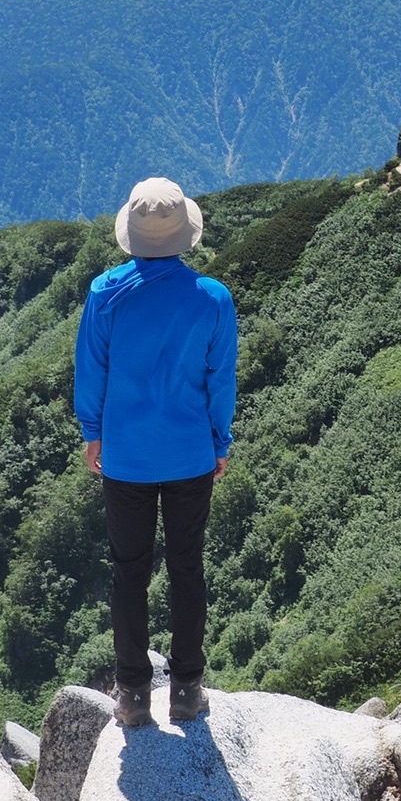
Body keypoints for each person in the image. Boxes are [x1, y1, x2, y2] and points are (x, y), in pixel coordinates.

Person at [74, 177, 238, 727]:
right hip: (190, 453)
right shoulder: (213, 298)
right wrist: (219, 441)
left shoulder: (105, 293)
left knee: (129, 573)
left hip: (126, 457)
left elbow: (92, 370)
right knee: (187, 567)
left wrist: (93, 433)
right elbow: (220, 380)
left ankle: (133, 696)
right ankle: (187, 689)